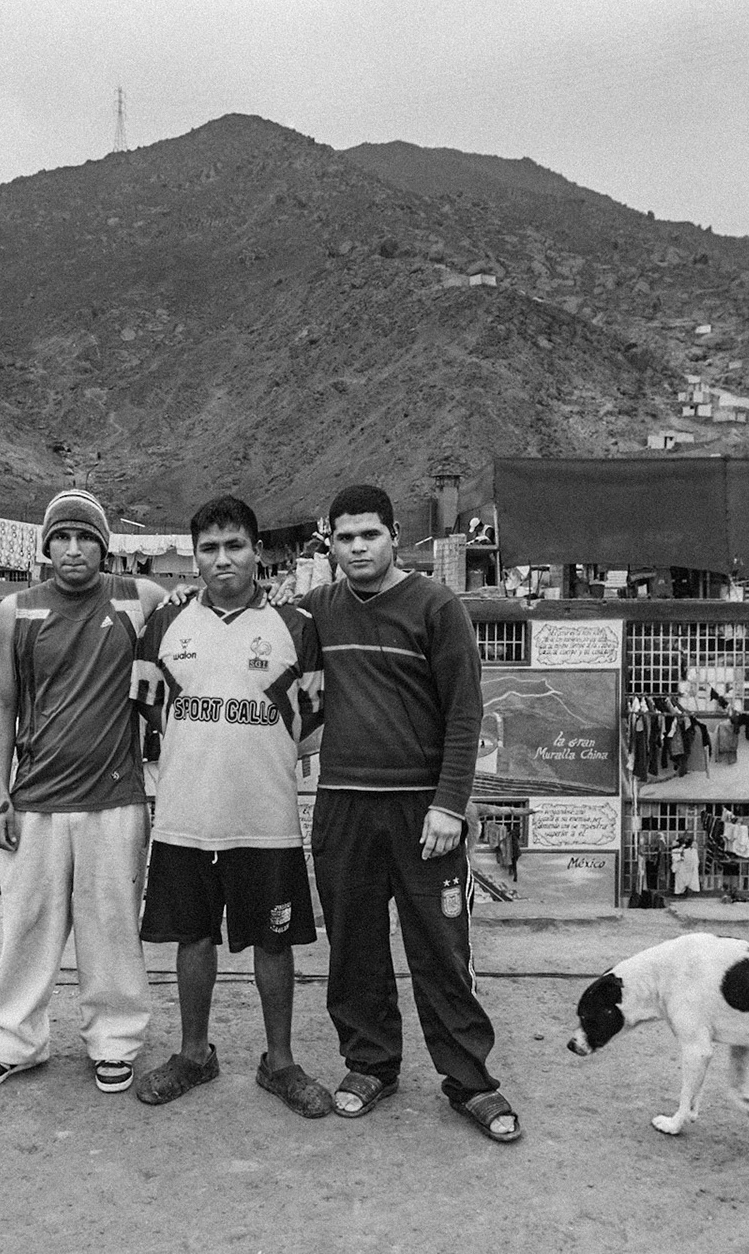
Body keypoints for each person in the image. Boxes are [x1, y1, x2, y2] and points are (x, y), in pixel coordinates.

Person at [301, 483, 520, 1142]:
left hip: (423, 812)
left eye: (369, 534)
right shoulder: (316, 612)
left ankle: (470, 1081)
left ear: (395, 537)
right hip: (342, 805)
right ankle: (370, 1064)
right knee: (354, 947)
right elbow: (265, 656)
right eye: (345, 537)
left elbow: (464, 710)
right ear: (330, 544)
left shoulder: (435, 605)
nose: (358, 547)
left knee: (441, 950)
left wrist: (450, 802)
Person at [130, 495, 332, 1117]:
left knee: (274, 943)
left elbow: (313, 725)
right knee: (192, 937)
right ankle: (195, 1055)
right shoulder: (165, 626)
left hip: (265, 819)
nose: (223, 560)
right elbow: (147, 716)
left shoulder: (295, 628)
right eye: (210, 549)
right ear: (195, 559)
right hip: (186, 817)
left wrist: (256, 755)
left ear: (258, 552)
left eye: (235, 546)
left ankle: (281, 1063)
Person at [0, 488, 169, 1095]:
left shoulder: (141, 599)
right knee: (27, 926)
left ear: (105, 546)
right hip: (36, 797)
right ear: (46, 545)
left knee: (112, 925)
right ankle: (15, 1041)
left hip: (116, 797)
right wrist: (0, 794)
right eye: (63, 537)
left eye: (86, 538)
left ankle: (115, 1040)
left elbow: (189, 637)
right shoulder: (16, 611)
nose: (74, 549)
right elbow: (2, 705)